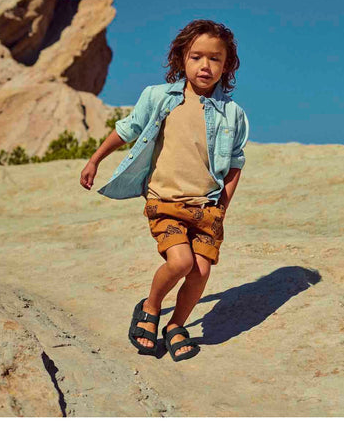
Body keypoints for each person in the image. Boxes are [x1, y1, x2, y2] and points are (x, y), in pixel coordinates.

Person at [80, 19, 249, 361]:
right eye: (196, 57)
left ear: (227, 65)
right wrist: (95, 160)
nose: (205, 65)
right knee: (181, 262)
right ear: (181, 59)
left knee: (201, 271)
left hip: (206, 208)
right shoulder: (159, 97)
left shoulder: (233, 114)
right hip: (165, 202)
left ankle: (175, 325)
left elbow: (235, 164)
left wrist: (222, 208)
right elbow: (128, 129)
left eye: (215, 59)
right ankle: (151, 306)